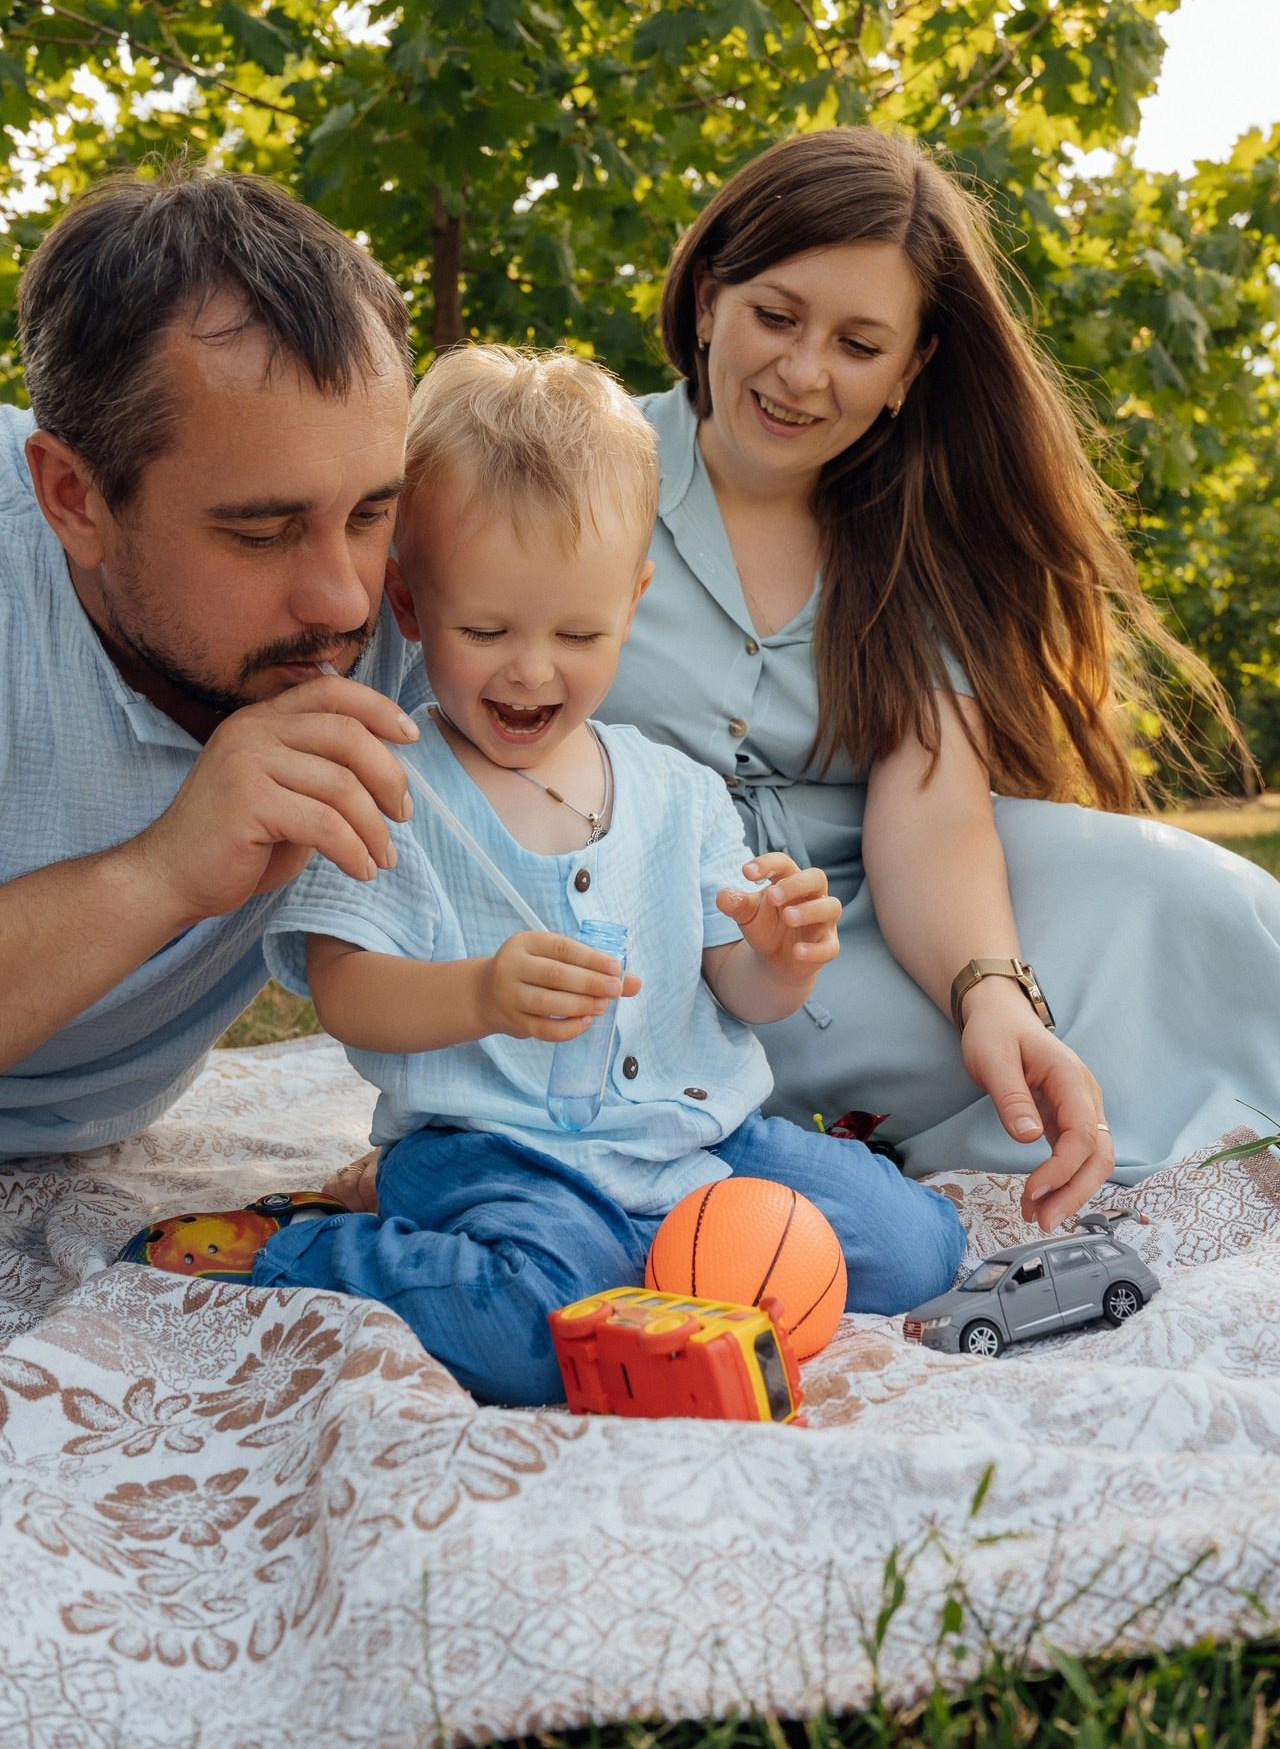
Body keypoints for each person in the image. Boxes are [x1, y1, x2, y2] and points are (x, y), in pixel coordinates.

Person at [120, 346, 965, 1406]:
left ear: (634, 599)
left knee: (912, 1244)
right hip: (498, 1156)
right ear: (413, 607)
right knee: (535, 1334)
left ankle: (660, 1272)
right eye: (487, 630)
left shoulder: (673, 789)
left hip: (693, 1144)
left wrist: (778, 958)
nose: (531, 669)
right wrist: (480, 992)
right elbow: (347, 991)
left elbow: (737, 987)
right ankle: (306, 1246)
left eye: (578, 631)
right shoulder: (392, 783)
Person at [596, 125, 1280, 1231]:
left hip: (878, 898)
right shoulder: (575, 468)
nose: (802, 372)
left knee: (1176, 897)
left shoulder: (908, 536)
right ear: (709, 293)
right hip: (647, 930)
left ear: (911, 371)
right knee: (1000, 1074)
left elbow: (930, 817)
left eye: (858, 345)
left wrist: (989, 990)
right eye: (775, 315)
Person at [0, 163, 425, 1156]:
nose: (346, 599)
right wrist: (160, 873)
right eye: (260, 531)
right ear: (73, 497)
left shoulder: (432, 587)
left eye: (369, 512)